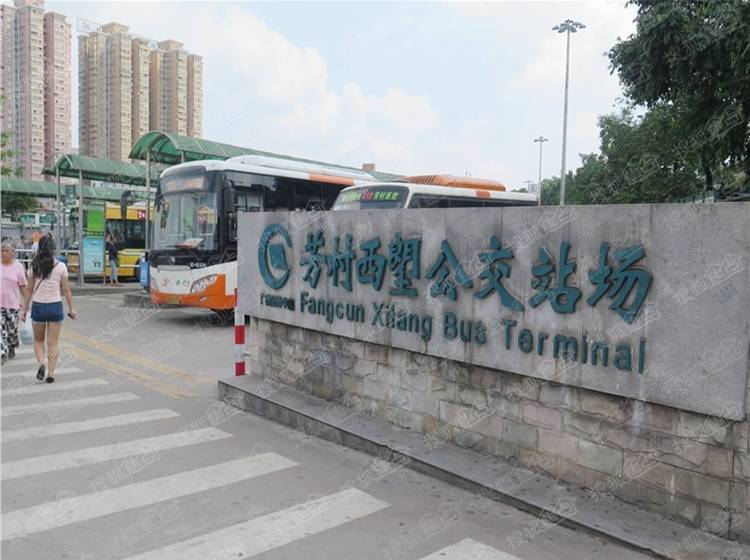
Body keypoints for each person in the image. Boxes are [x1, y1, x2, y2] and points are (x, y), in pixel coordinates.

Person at [20, 234, 76, 383]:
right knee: (53, 343)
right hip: (55, 306)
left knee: (38, 341)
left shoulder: (34, 266)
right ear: (53, 249)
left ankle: (41, 363)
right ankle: (51, 373)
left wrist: (24, 310)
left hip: (38, 306)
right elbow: (66, 290)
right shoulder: (61, 266)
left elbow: (29, 290)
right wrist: (72, 309)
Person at [1, 240, 27, 363]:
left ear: (12, 253)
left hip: (12, 305)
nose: (3, 253)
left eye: (6, 251)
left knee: (11, 331)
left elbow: (23, 286)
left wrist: (27, 305)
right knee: (1, 330)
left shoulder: (18, 267)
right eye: (2, 251)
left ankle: (11, 346)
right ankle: (2, 352)